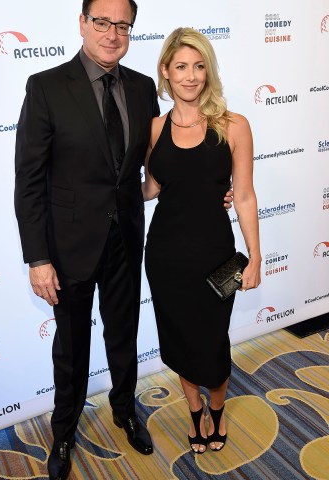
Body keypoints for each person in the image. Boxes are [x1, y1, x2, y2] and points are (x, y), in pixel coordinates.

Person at [15, 1, 233, 477]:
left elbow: (158, 167)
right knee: (71, 346)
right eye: (102, 22)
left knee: (124, 336)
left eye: (122, 25)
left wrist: (214, 187)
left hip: (128, 241)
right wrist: (37, 258)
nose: (112, 33)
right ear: (82, 24)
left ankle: (125, 411)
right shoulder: (47, 87)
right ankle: (65, 433)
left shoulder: (140, 89)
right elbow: (29, 180)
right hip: (68, 247)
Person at [143, 27, 261, 455]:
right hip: (165, 258)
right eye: (181, 67)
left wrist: (256, 257)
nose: (191, 76)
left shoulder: (234, 125)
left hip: (218, 258)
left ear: (208, 72)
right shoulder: (154, 129)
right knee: (178, 340)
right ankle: (195, 413)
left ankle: (218, 406)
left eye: (198, 67)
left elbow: (244, 195)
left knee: (213, 342)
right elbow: (151, 189)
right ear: (166, 72)